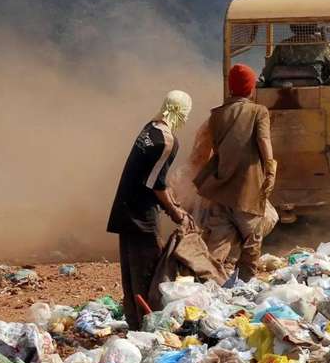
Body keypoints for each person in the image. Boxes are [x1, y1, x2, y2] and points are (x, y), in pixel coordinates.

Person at [107, 90, 192, 330]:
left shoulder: (149, 129)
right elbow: (156, 184)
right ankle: (150, 326)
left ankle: (135, 322)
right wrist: (175, 213)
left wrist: (174, 205)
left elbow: (154, 178)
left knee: (131, 271)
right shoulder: (166, 141)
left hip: (125, 209)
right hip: (141, 216)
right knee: (150, 271)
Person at [194, 64, 276, 282]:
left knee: (219, 240)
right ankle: (246, 283)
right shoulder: (259, 111)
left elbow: (206, 150)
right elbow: (264, 140)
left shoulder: (216, 115)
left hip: (220, 188)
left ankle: (207, 282)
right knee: (252, 237)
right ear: (250, 88)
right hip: (247, 189)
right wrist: (270, 170)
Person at [260, 24, 330, 86]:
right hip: (315, 85)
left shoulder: (283, 45)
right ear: (314, 27)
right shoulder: (320, 45)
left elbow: (267, 72)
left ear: (293, 28)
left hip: (284, 89)